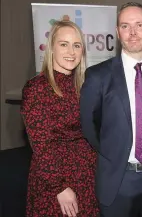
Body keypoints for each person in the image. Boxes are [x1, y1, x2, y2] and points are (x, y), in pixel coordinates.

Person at [80, 2, 142, 217]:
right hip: (119, 180)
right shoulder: (98, 76)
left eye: (139, 25)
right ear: (117, 32)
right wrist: (115, 153)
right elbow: (89, 127)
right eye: (125, 26)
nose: (132, 33)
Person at [21, 20, 98, 217]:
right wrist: (60, 187)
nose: (71, 52)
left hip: (87, 176)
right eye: (64, 44)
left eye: (77, 45)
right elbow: (41, 145)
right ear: (51, 48)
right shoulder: (37, 88)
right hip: (55, 180)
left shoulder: (86, 86)